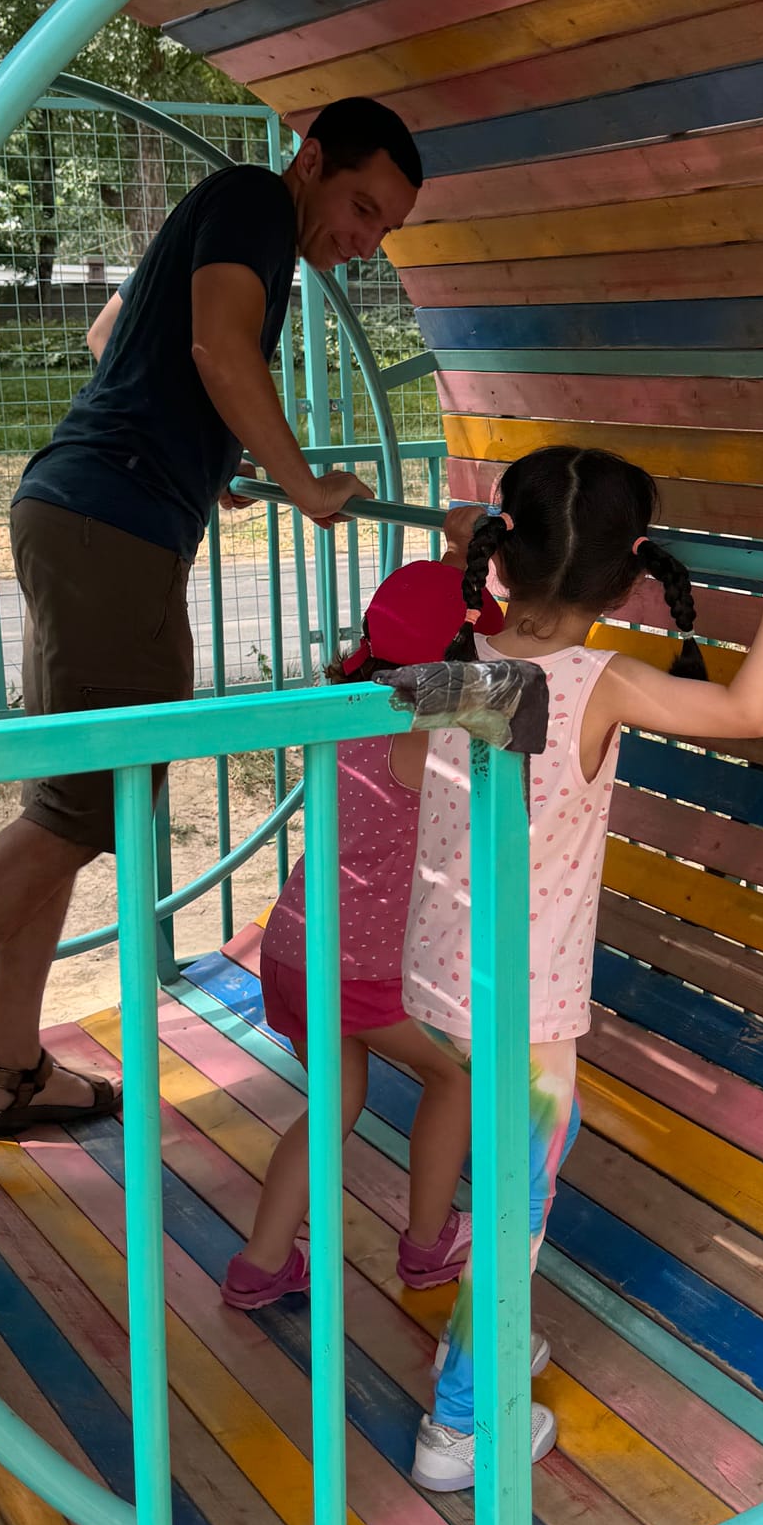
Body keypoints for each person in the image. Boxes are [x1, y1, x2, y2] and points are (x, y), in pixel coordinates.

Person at [0, 96, 421, 1153]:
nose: (365, 241)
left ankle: (10, 1069)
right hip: (114, 525)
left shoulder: (239, 222)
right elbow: (215, 349)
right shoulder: (252, 200)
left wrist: (215, 459)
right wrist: (296, 478)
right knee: (77, 810)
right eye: (362, 207)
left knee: (70, 801)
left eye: (385, 229)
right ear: (314, 160)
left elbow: (117, 335)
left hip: (82, 510)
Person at [400, 443, 763, 1493]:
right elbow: (748, 713)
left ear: (498, 557)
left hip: (435, 978)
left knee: (501, 1165)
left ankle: (483, 1343)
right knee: (521, 1200)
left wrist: (477, 554)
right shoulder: (597, 681)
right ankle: (460, 1426)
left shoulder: (455, 655)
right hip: (523, 1002)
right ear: (636, 570)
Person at [222, 530, 504, 1310]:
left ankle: (262, 1260)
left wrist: (457, 553)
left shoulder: (342, 709)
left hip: (294, 947)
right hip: (369, 968)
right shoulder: (433, 729)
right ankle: (426, 1243)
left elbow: (428, 625)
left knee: (334, 1104)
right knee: (453, 1074)